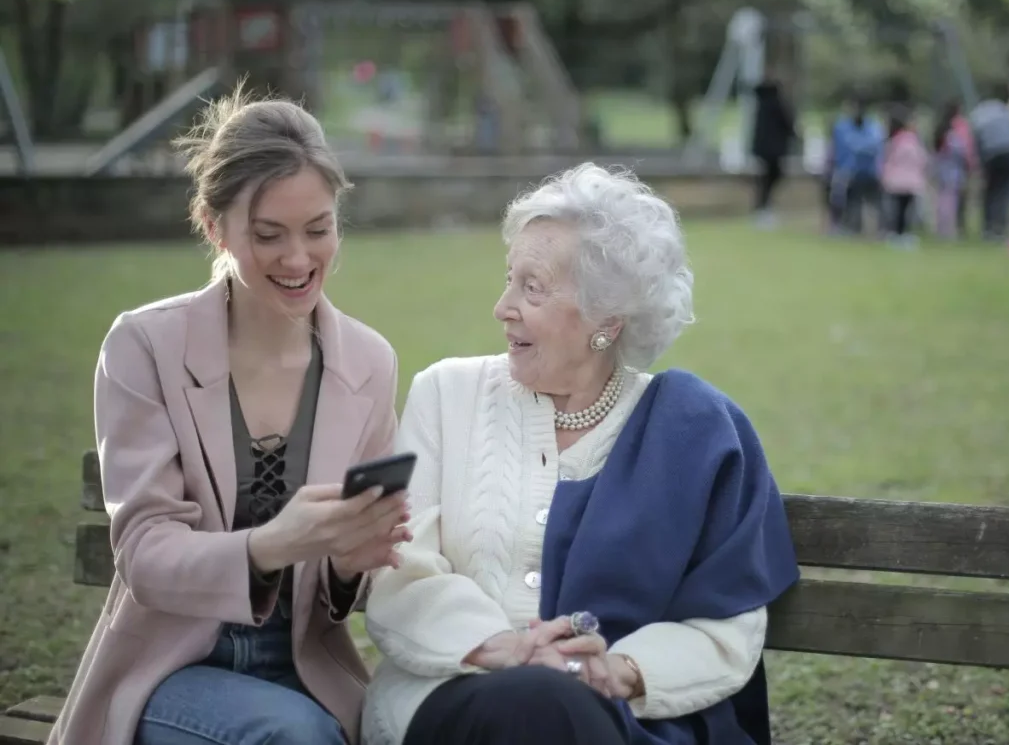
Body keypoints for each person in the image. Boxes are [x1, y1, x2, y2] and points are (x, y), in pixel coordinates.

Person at [362, 164, 801, 745]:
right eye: (508, 279)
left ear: (606, 320)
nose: (503, 306)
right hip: (450, 694)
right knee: (536, 706)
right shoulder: (446, 395)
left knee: (556, 712)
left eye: (533, 287)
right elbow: (403, 573)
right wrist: (510, 651)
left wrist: (611, 672)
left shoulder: (695, 431)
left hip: (626, 716)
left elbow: (725, 624)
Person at [49, 85, 410, 745]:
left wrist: (352, 561)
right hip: (170, 667)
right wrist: (274, 542)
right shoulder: (145, 345)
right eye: (268, 234)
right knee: (296, 738)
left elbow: (351, 587)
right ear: (213, 225)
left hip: (309, 670)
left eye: (319, 228)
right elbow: (145, 552)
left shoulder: (368, 361)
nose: (299, 259)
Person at [969, 92, 1009, 239]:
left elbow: (977, 143)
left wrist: (980, 166)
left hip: (992, 155)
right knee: (1005, 193)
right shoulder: (1002, 109)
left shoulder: (977, 115)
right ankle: (1002, 229)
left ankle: (990, 229)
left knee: (991, 193)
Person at [830, 97, 885, 235]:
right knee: (846, 202)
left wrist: (859, 145)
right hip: (847, 171)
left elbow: (875, 145)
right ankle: (848, 228)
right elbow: (843, 146)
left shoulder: (873, 127)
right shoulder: (842, 127)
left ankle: (881, 231)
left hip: (869, 172)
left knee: (875, 204)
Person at [750, 78, 797, 228]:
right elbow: (788, 125)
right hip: (775, 151)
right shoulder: (778, 105)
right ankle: (764, 209)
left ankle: (763, 208)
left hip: (763, 151)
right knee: (770, 179)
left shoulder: (761, 106)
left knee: (764, 180)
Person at [880, 109, 928, 245]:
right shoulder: (912, 140)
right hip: (910, 183)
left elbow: (887, 159)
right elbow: (922, 159)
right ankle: (903, 234)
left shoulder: (894, 140)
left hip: (895, 182)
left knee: (897, 211)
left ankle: (896, 233)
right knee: (905, 211)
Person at [933, 103, 972, 241]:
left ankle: (942, 229)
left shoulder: (939, 133)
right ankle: (948, 231)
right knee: (950, 203)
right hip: (953, 173)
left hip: (942, 172)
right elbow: (961, 152)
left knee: (942, 201)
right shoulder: (952, 136)